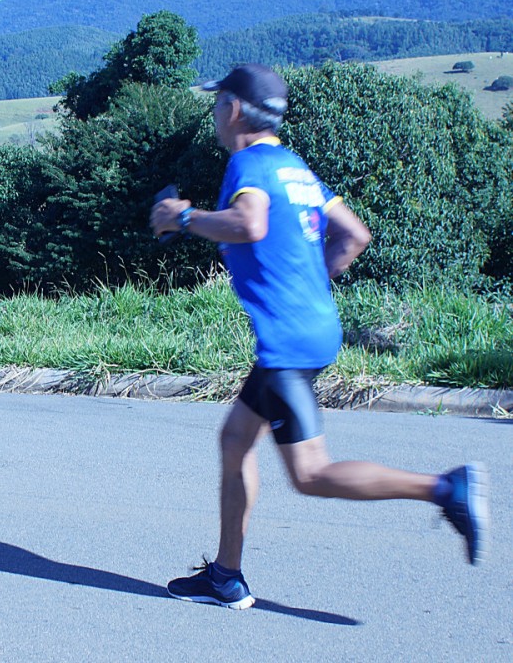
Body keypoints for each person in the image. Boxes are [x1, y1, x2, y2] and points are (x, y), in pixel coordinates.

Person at [149, 63, 488, 610]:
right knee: (236, 439)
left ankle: (446, 489)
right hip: (310, 327)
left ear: (233, 110)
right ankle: (225, 576)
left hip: (287, 341)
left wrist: (182, 217)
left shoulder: (249, 163)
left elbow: (249, 225)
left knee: (310, 474)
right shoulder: (294, 168)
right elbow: (354, 235)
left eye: (218, 104)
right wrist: (305, 282)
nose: (214, 113)